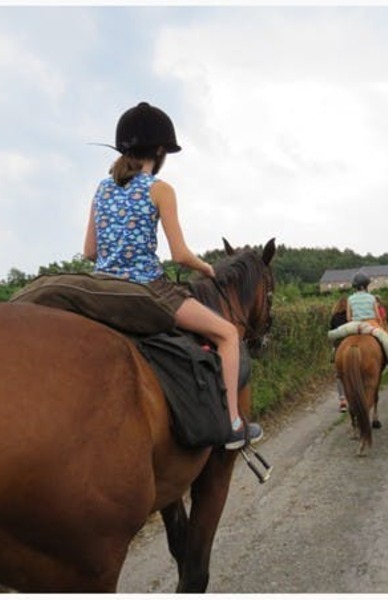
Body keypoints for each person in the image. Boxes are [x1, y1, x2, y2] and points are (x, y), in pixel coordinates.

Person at [83, 101, 262, 451]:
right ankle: (232, 424)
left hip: (100, 288)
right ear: (161, 150)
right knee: (226, 334)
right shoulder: (160, 188)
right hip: (147, 289)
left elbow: (90, 252)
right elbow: (179, 254)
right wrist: (206, 268)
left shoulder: (102, 189)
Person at [347, 273, 388, 378]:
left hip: (355, 326)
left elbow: (348, 318)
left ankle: (336, 361)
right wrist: (381, 325)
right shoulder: (372, 298)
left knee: (340, 341)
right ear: (365, 286)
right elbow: (377, 316)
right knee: (386, 341)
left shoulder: (350, 299)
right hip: (371, 324)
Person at [329, 295, 349, 412]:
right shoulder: (350, 317)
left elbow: (332, 334)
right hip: (350, 342)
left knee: (339, 374)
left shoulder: (334, 317)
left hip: (339, 346)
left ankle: (342, 400)